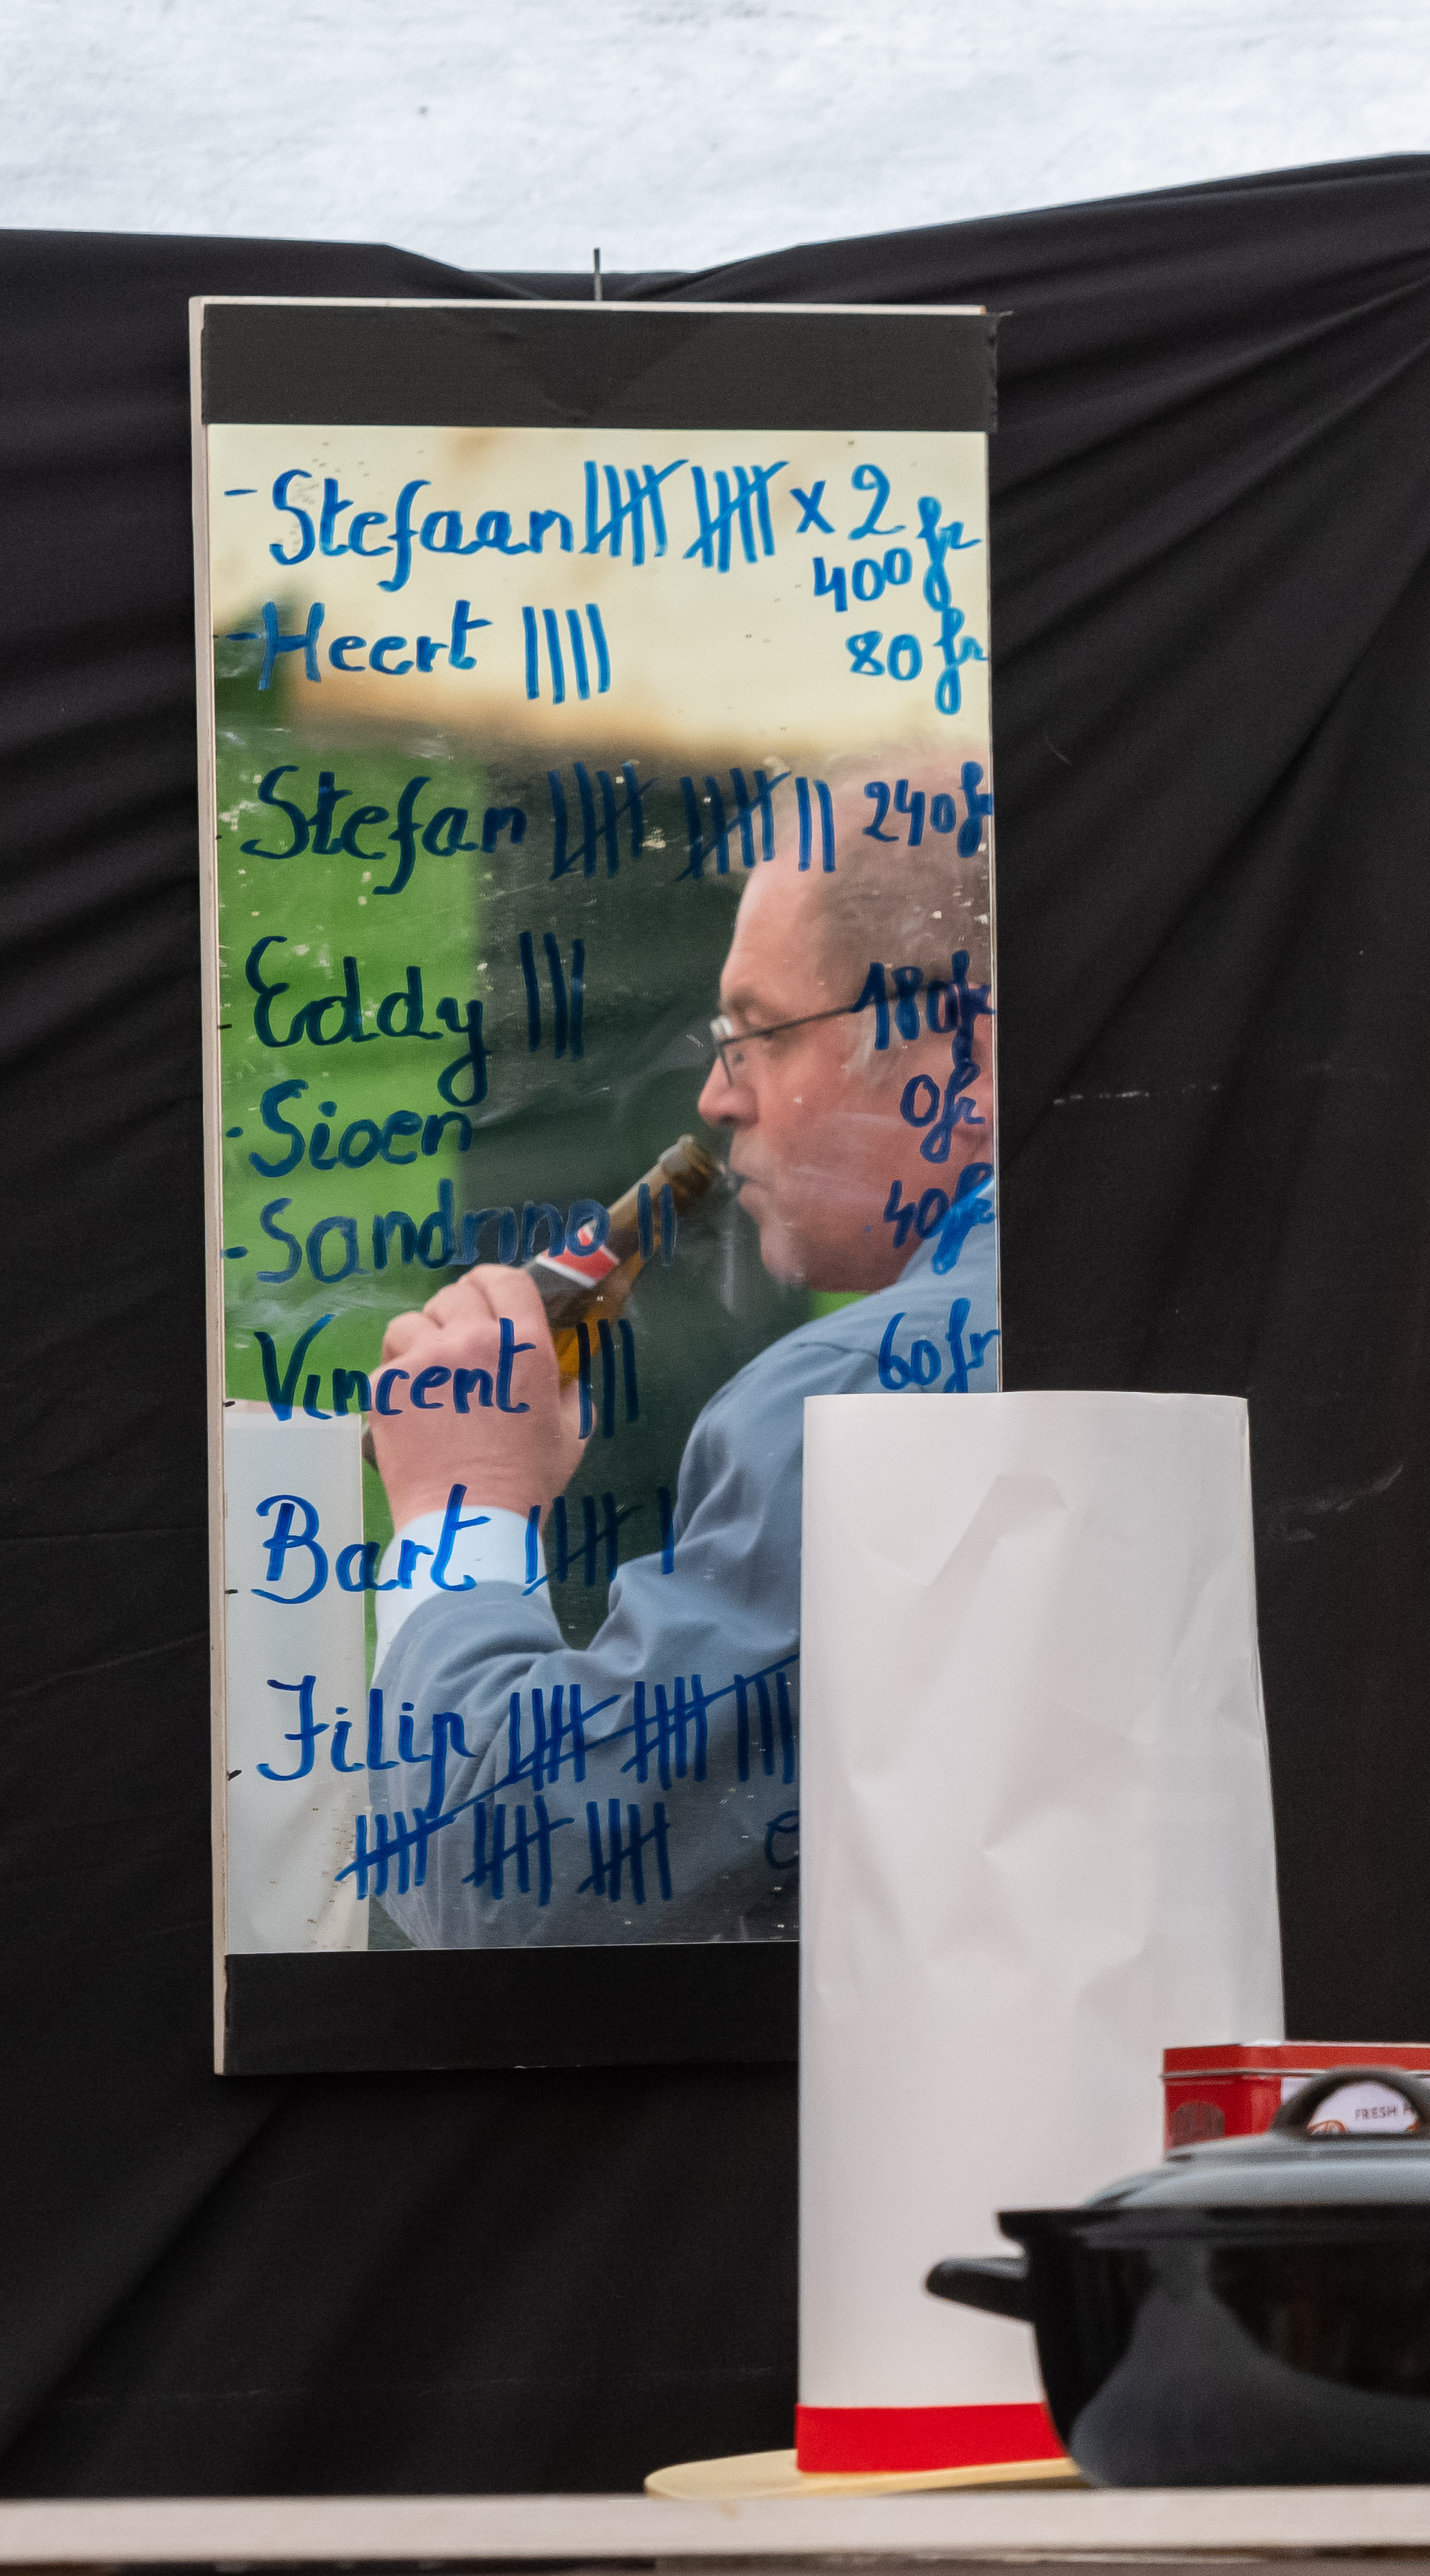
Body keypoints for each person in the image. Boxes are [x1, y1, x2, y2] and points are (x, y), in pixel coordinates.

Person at [360, 796, 999, 1944]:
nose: (716, 1096)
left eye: (763, 1032)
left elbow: (508, 1879)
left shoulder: (861, 1400)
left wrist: (464, 1505)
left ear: (964, 1063)